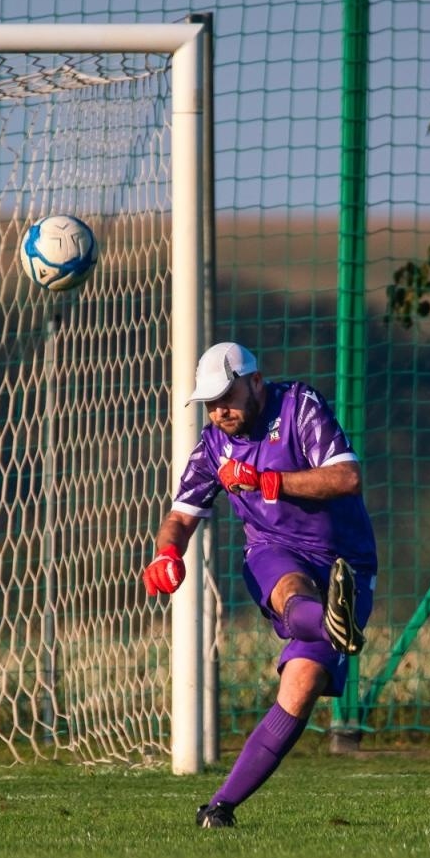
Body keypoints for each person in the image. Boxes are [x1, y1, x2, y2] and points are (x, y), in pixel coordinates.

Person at [144, 342, 376, 827]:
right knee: (293, 590)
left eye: (226, 396)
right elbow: (180, 517)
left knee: (303, 684)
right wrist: (167, 553)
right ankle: (334, 621)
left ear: (255, 382)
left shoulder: (299, 407)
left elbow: (347, 478)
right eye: (209, 403)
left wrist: (270, 481)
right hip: (274, 551)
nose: (220, 411)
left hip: (345, 561)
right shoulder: (212, 445)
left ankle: (220, 807)